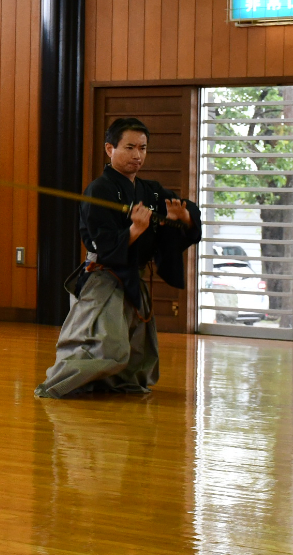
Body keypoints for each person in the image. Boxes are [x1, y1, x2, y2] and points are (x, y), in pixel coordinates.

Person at [35, 117, 201, 399]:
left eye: (143, 148)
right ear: (109, 149)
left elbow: (186, 212)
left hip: (132, 276)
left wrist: (182, 217)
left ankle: (118, 385)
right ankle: (57, 387)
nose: (138, 155)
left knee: (138, 344)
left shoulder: (152, 191)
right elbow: (101, 242)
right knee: (105, 343)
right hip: (104, 276)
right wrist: (135, 229)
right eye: (130, 147)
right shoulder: (99, 190)